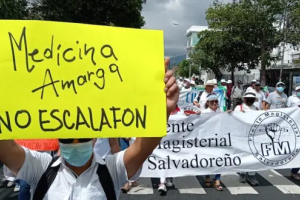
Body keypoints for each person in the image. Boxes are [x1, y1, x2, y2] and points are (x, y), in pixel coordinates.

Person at [0, 58, 179, 200]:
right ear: (58, 138)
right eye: (68, 138)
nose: (75, 143)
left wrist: (161, 110)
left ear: (94, 137)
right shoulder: (39, 167)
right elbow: (5, 148)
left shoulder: (112, 170)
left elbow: (143, 147)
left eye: (83, 137)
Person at [234, 91, 259, 186]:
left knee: (253, 155)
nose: (250, 100)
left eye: (251, 99)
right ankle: (243, 173)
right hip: (241, 135)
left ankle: (252, 175)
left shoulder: (256, 109)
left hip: (252, 136)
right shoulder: (238, 108)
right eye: (248, 99)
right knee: (242, 154)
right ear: (244, 99)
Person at [287, 86, 300, 180]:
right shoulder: (291, 99)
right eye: (298, 90)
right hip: (294, 125)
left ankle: (294, 171)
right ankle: (294, 170)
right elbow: (287, 110)